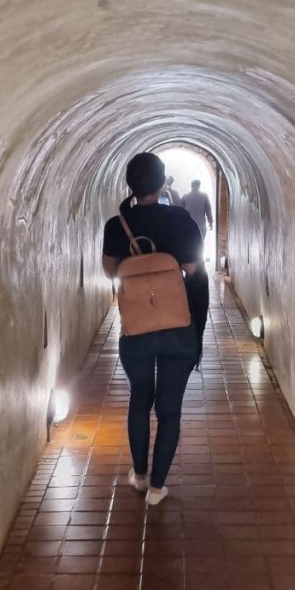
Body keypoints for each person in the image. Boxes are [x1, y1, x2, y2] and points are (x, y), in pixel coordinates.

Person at [102, 153, 206, 505]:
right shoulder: (179, 218)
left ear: (129, 185)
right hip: (179, 324)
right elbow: (194, 270)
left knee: (138, 400)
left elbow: (110, 271)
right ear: (162, 184)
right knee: (170, 409)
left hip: (136, 328)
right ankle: (159, 487)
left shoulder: (116, 225)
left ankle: (140, 474)